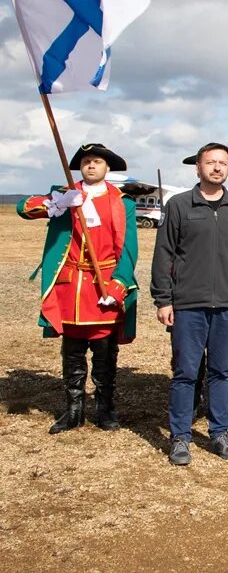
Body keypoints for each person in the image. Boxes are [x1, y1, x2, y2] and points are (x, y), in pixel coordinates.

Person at [17, 144, 139, 435]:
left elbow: (129, 250)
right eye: (86, 161)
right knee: (72, 350)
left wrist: (119, 284)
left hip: (104, 284)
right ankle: (74, 409)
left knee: (104, 350)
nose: (91, 166)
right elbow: (23, 208)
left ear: (107, 167)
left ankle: (105, 407)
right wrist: (53, 202)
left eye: (97, 161)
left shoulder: (123, 203)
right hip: (71, 287)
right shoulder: (64, 194)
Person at [152, 142, 228, 466]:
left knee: (221, 371)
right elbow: (164, 254)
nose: (217, 167)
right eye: (210, 162)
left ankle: (220, 433)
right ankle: (181, 437)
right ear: (197, 168)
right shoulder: (179, 205)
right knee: (185, 372)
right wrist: (163, 299)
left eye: (222, 163)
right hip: (188, 304)